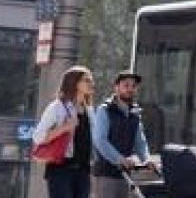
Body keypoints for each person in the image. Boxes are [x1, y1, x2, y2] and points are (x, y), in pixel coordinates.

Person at [32, 66, 96, 198]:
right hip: (61, 170)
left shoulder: (89, 110)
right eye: (86, 80)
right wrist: (64, 127)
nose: (91, 83)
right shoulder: (57, 107)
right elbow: (37, 137)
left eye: (91, 80)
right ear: (73, 82)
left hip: (83, 171)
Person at [91, 70, 155, 198]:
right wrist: (119, 159)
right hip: (106, 175)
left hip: (126, 174)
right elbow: (100, 140)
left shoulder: (135, 113)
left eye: (133, 86)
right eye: (126, 85)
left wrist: (147, 159)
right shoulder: (105, 110)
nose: (130, 89)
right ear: (116, 87)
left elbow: (140, 142)